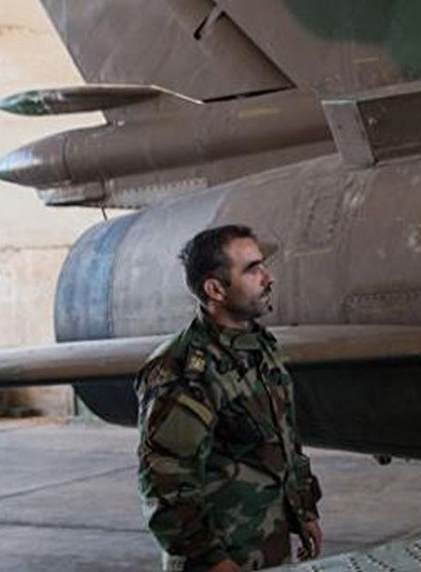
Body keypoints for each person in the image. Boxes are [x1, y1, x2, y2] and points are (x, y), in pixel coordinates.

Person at [136, 224, 322, 571]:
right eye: (252, 269)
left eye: (262, 265)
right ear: (215, 289)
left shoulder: (260, 347)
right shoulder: (183, 369)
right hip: (217, 558)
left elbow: (283, 441)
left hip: (268, 547)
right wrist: (212, 560)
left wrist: (304, 512)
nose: (268, 278)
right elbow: (166, 480)